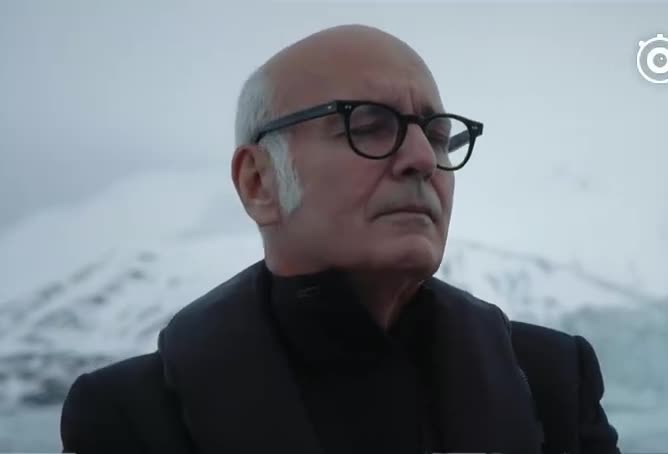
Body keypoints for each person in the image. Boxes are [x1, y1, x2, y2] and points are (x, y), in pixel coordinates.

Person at [60, 24, 620, 454]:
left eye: (437, 135)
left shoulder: (552, 383)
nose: (423, 159)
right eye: (368, 125)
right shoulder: (130, 420)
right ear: (259, 182)